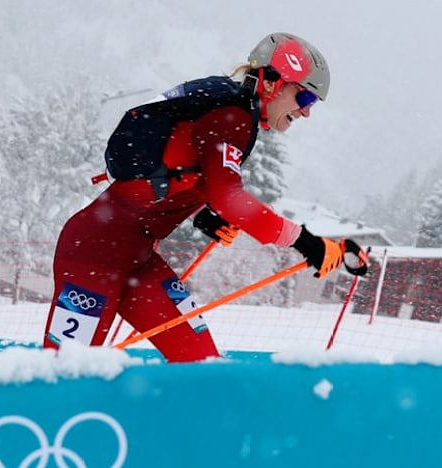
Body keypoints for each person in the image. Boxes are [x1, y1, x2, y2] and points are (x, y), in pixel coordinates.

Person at [43, 32, 367, 362]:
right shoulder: (232, 116)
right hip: (94, 255)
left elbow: (177, 173)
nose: (306, 112)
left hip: (138, 262)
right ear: (272, 83)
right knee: (66, 374)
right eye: (305, 98)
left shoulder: (230, 111)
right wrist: (306, 242)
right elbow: (230, 198)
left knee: (201, 363)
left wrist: (203, 215)